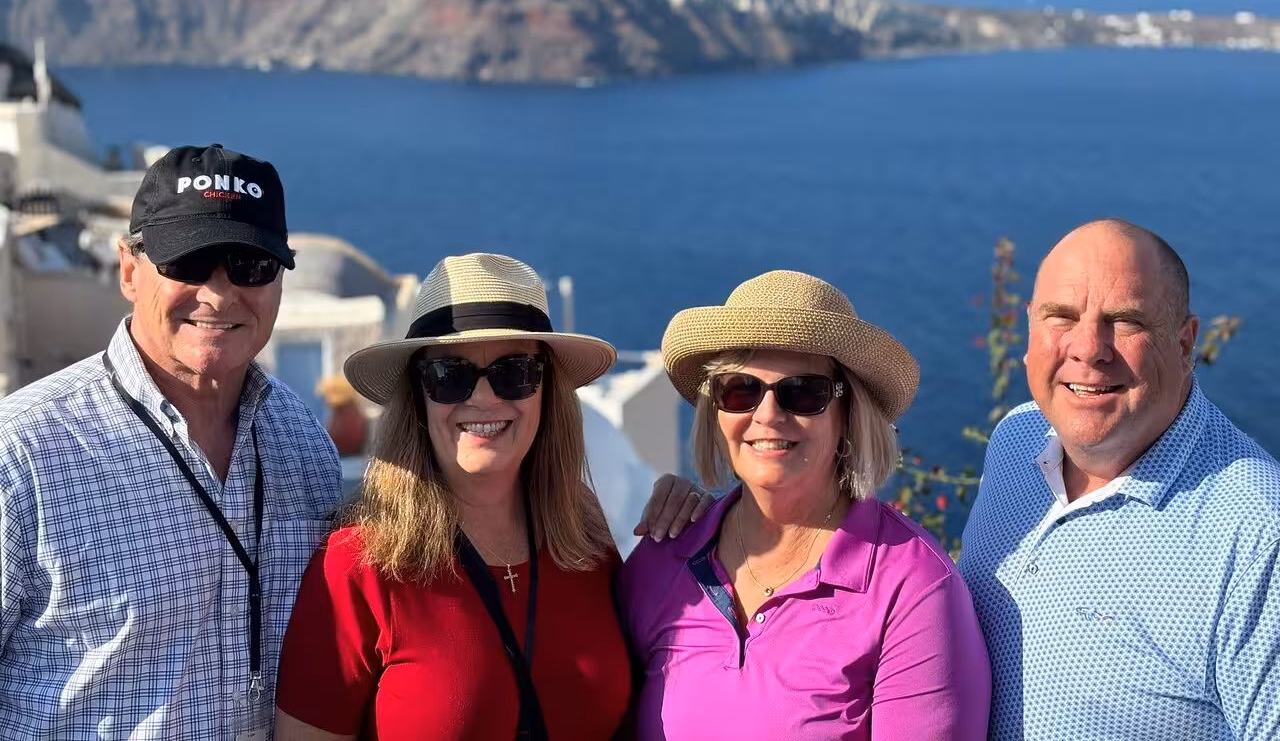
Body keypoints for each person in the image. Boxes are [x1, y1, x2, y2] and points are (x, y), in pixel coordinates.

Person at [275, 252, 707, 740]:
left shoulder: (580, 529)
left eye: (514, 372)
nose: (483, 399)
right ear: (417, 393)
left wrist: (699, 524)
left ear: (546, 390)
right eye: (449, 375)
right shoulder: (359, 565)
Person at [0, 143, 341, 738]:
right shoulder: (22, 451)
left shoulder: (305, 447)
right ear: (130, 271)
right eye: (188, 262)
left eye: (250, 266)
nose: (219, 293)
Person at [619, 270, 991, 740]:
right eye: (740, 390)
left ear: (848, 413)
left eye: (803, 393)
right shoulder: (661, 559)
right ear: (715, 412)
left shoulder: (910, 587)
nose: (768, 415)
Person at [959, 219, 1280, 741]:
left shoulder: (1257, 534)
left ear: (1184, 343)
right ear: (1029, 331)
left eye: (1125, 321)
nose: (1088, 349)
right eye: (1060, 317)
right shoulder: (1015, 441)